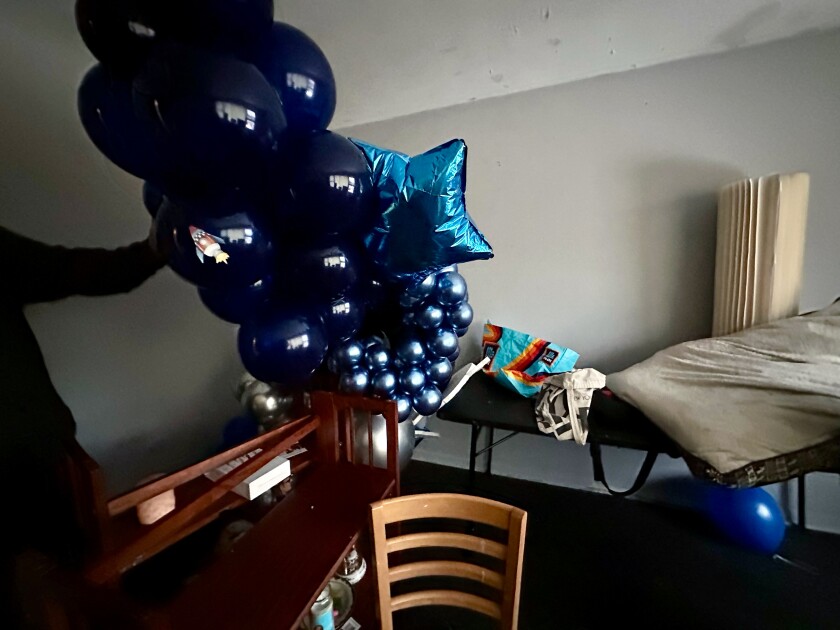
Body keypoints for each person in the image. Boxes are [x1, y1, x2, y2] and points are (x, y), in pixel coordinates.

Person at [0, 224, 168, 627]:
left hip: (34, 468)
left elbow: (77, 270)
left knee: (73, 591)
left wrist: (156, 248)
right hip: (29, 465)